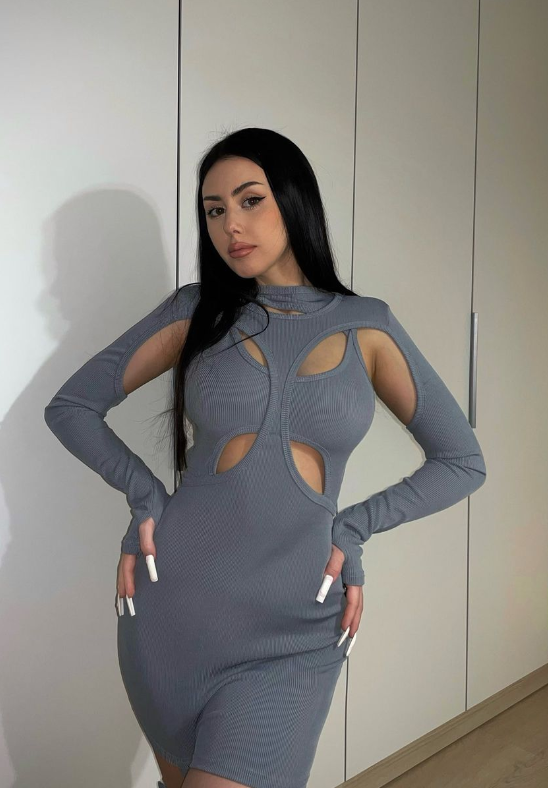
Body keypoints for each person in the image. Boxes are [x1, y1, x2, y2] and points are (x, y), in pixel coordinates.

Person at [44, 127, 486, 788]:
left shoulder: (366, 324)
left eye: (250, 201)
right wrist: (144, 496)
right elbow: (73, 406)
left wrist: (354, 527)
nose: (230, 225)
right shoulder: (195, 311)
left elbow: (461, 461)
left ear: (293, 201)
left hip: (296, 625)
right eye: (214, 209)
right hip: (175, 609)